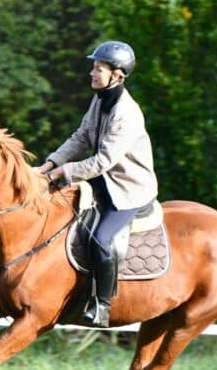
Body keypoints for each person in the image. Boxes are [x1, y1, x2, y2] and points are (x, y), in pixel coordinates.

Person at [34, 40, 158, 327]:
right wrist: (49, 165)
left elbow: (103, 161)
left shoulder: (127, 113)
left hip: (129, 190)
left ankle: (102, 305)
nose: (92, 73)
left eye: (98, 69)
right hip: (104, 180)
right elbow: (81, 137)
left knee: (101, 239)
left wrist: (63, 172)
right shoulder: (100, 98)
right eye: (93, 67)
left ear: (117, 75)